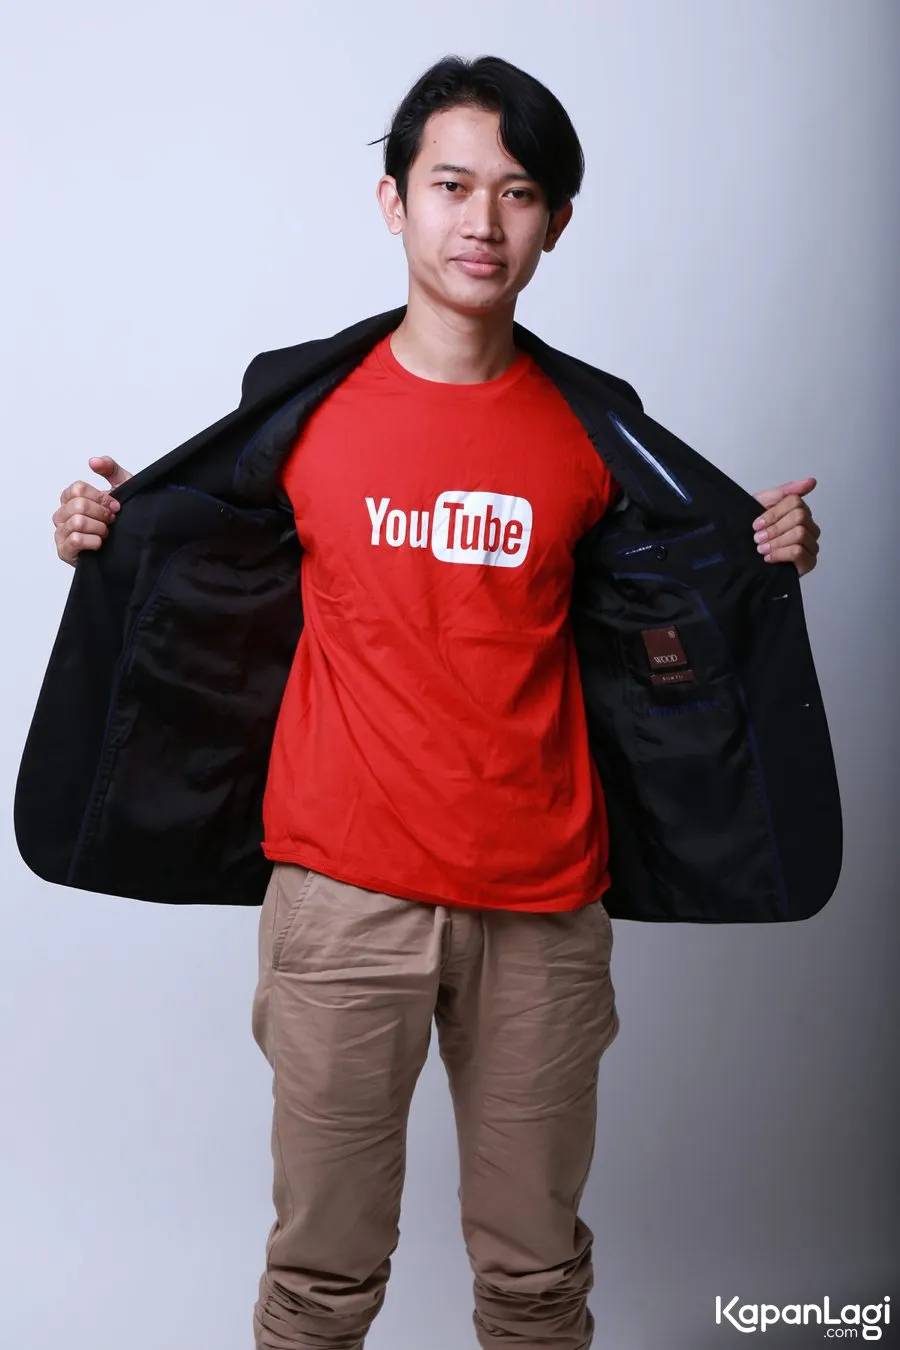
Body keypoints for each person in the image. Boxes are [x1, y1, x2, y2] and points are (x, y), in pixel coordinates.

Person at [44, 55, 823, 1350]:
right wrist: (102, 534)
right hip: (342, 899)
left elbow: (680, 610)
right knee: (319, 1281)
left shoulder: (597, 429)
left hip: (543, 906)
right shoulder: (301, 407)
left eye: (517, 193)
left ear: (556, 222)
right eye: (452, 185)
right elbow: (193, 566)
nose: (482, 221)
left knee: (536, 1281)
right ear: (393, 201)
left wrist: (770, 556)